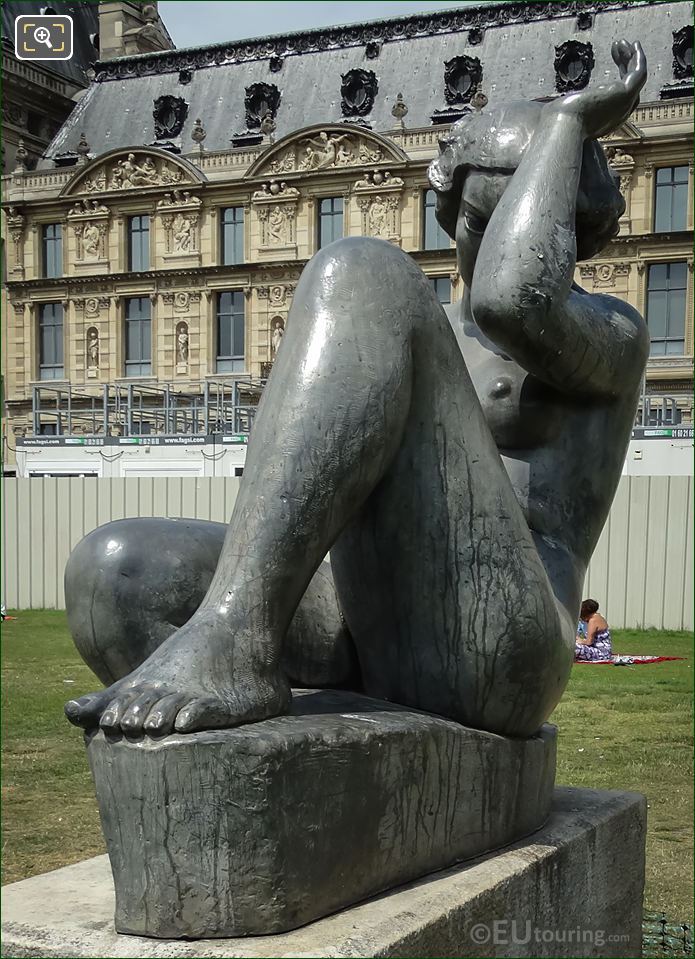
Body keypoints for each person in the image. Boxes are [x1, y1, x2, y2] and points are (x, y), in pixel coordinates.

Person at [65, 41, 648, 741]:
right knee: (115, 574)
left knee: (365, 270)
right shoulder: (401, 335)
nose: (487, 246)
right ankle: (252, 683)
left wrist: (567, 123)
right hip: (359, 614)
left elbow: (514, 297)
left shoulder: (612, 333)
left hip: (501, 642)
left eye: (515, 223)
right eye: (475, 222)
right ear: (448, 210)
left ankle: (237, 638)